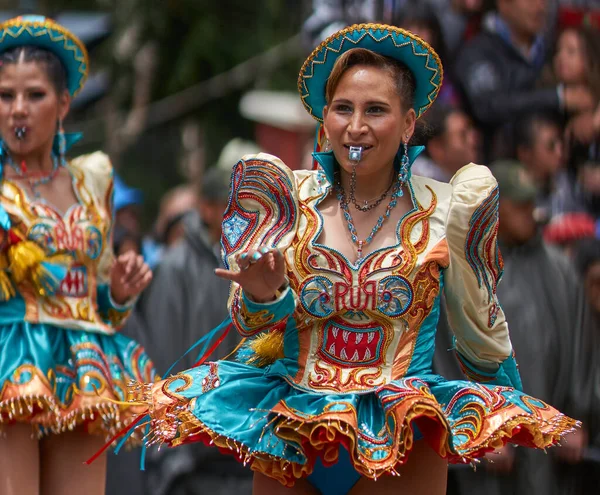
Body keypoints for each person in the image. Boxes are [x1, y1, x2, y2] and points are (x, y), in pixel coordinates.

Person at [122, 24, 577, 495]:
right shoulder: (288, 201)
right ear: (325, 120)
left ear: (407, 124)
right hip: (292, 427)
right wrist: (266, 293)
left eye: (375, 110)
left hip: (403, 434)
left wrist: (508, 406)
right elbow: (252, 322)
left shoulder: (447, 210)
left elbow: (478, 328)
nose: (356, 126)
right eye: (343, 108)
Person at [0, 16, 155, 495]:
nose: (18, 110)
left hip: (82, 364)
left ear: (64, 103)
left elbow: (100, 306)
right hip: (11, 364)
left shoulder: (95, 180)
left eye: (35, 95)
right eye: (5, 96)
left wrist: (120, 292)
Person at [436, 161, 591, 495]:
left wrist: (578, 420)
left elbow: (581, 347)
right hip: (486, 442)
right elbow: (445, 353)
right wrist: (475, 426)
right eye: (519, 205)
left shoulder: (559, 269)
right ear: (494, 207)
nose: (529, 213)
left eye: (531, 204)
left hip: (552, 440)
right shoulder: (462, 268)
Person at [454, 0, 591, 161]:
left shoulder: (553, 51)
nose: (540, 6)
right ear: (504, 3)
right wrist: (558, 98)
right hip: (495, 169)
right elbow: (488, 105)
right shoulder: (478, 51)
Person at [411, 103, 479, 182]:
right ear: (438, 148)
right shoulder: (417, 184)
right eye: (463, 135)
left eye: (471, 130)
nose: (474, 140)